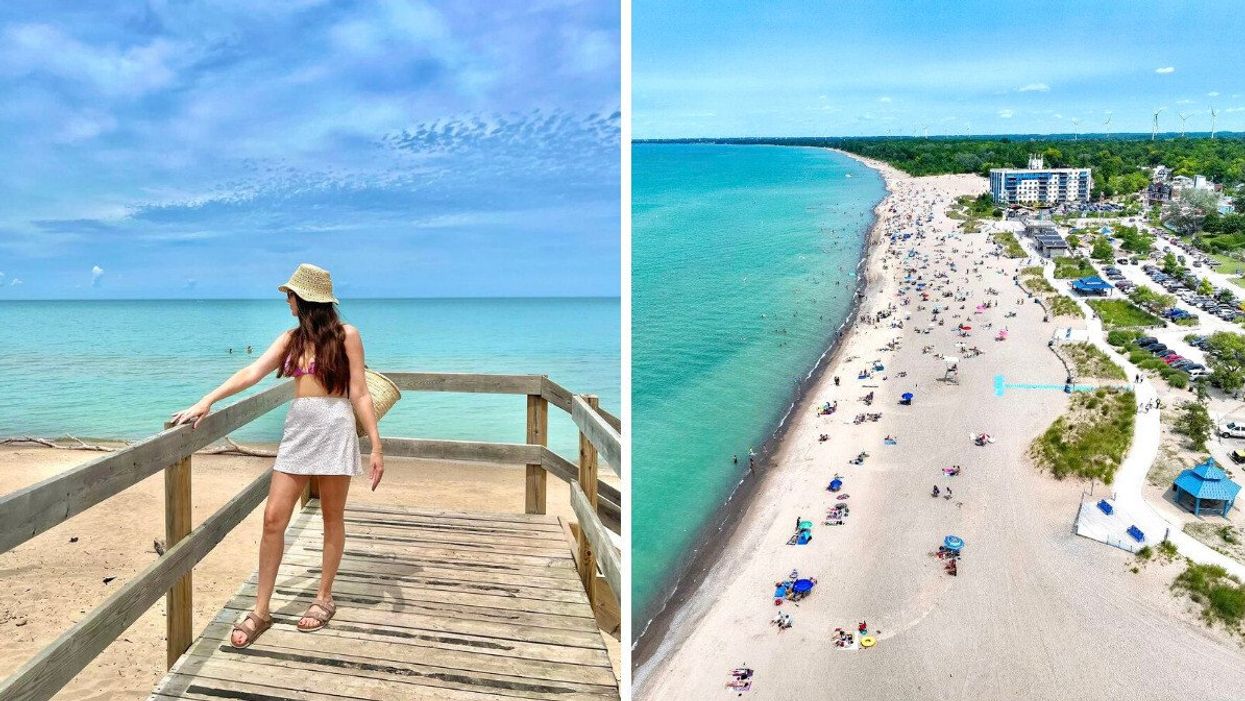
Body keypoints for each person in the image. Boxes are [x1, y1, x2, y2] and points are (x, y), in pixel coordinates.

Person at [171, 264, 385, 648]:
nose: (286, 300)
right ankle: (262, 609)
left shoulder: (347, 335)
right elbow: (252, 371)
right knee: (273, 519)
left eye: (289, 295)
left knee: (331, 516)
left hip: (336, 430)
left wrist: (375, 444)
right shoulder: (290, 340)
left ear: (303, 300)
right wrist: (208, 400)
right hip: (299, 432)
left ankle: (323, 598)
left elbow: (360, 392)